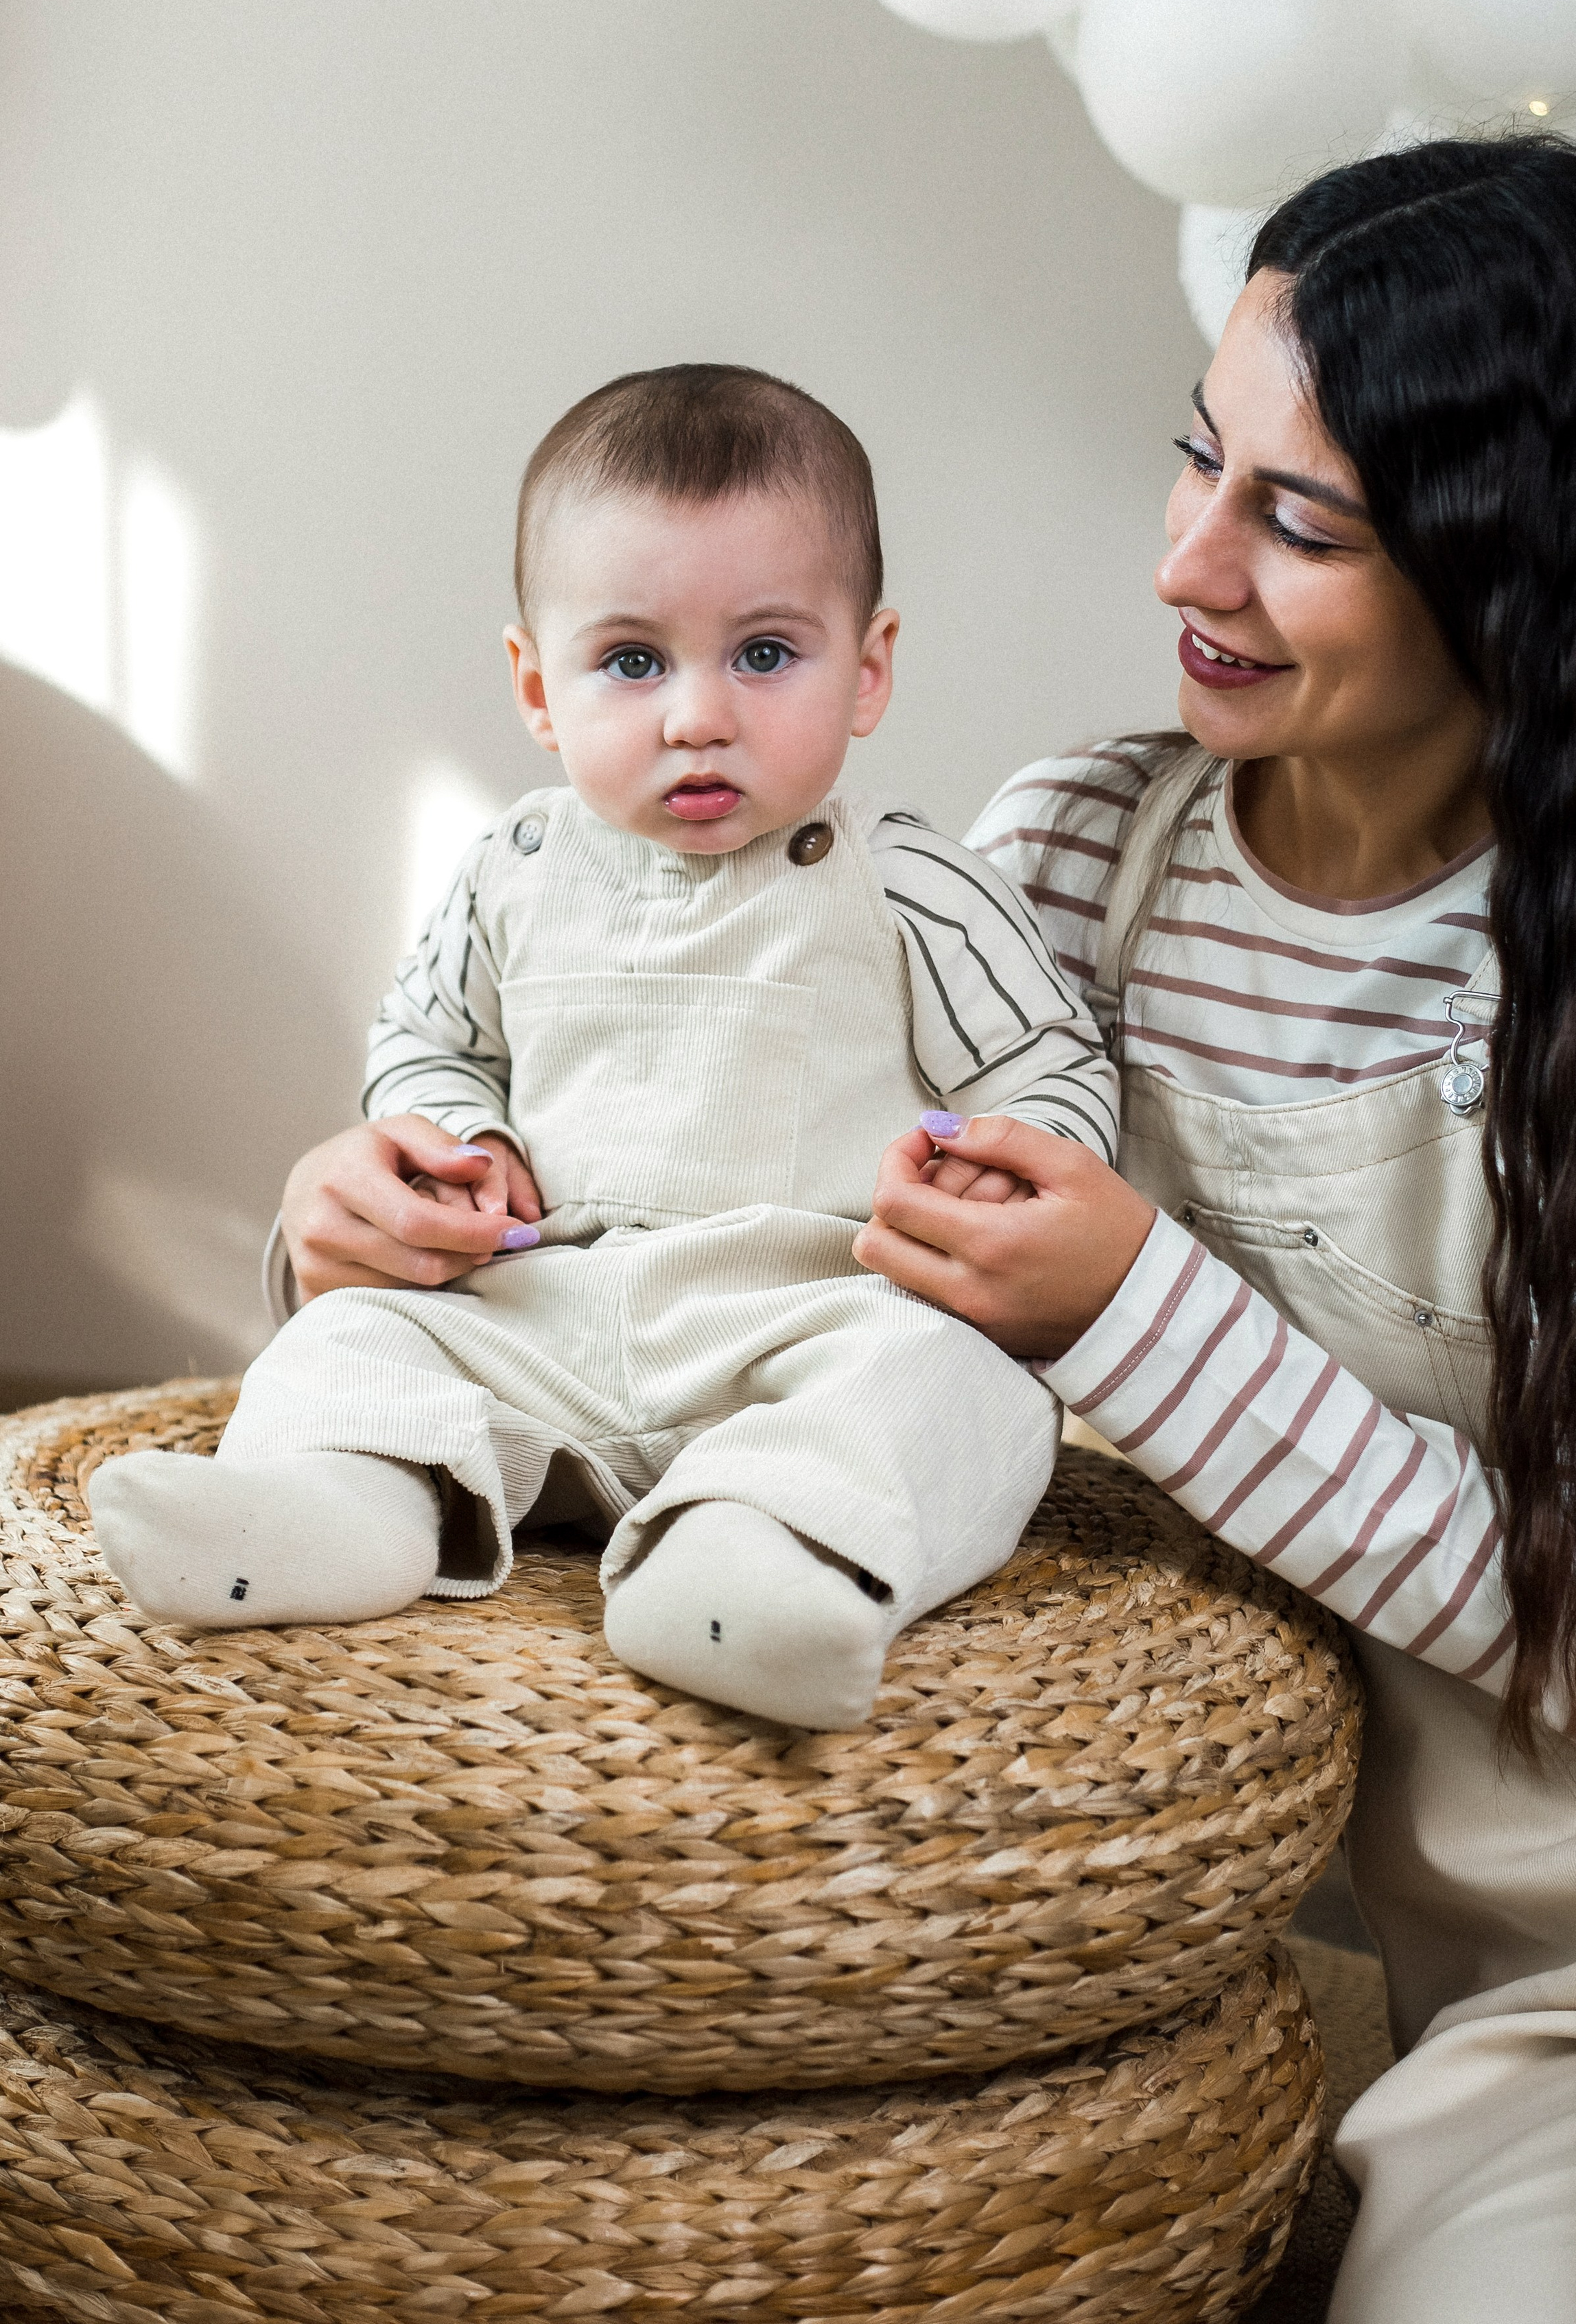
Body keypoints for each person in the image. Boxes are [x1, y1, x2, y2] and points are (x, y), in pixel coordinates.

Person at [262, 141, 1576, 2321]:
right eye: (1197, 457)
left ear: (1515, 571)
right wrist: (363, 1225)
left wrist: (1138, 1309)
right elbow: (722, 1263)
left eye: (1300, 521)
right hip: (1513, 1993)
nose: (1190, 558)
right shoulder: (1076, 863)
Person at [90, 364, 1116, 1731]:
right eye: (632, 661)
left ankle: (760, 1552)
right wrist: (460, 1138)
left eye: (763, 653)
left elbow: (1050, 1062)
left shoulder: (907, 883)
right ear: (535, 683)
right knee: (360, 1331)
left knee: (957, 1386)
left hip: (806, 1315)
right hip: (545, 1312)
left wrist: (1012, 1167)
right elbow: (426, 1043)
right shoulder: (510, 870)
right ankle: (342, 1503)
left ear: (866, 670)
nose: (696, 714)